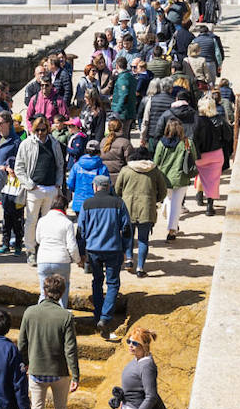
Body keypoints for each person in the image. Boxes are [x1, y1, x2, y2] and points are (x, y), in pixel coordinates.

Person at [19, 273, 80, 409]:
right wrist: (76, 375)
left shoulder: (30, 312)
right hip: (59, 372)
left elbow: (22, 344)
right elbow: (70, 349)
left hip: (36, 371)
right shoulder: (66, 316)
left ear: (44, 291)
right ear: (62, 293)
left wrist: (25, 364)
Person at [78, 174, 130, 339]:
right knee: (113, 283)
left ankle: (98, 314)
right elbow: (127, 228)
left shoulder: (87, 204)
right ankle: (106, 318)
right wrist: (126, 251)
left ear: (95, 187)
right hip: (113, 249)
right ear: (109, 187)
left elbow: (80, 230)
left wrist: (81, 252)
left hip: (93, 250)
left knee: (97, 281)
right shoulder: (118, 203)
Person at [14, 116, 65, 268]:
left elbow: (60, 165)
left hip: (51, 188)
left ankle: (44, 250)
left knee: (47, 222)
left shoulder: (54, 143)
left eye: (43, 129)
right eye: (38, 130)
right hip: (34, 189)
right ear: (33, 130)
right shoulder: (26, 144)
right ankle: (30, 251)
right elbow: (19, 167)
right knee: (31, 222)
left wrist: (58, 184)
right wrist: (30, 185)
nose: (41, 133)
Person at [114, 145, 168, 277]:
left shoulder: (126, 170)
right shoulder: (155, 171)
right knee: (144, 239)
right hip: (147, 208)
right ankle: (140, 268)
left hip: (128, 208)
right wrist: (154, 200)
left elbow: (117, 189)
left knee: (128, 236)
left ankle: (129, 260)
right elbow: (163, 191)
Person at [33, 191, 80, 307]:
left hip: (43, 259)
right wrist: (78, 260)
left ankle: (41, 316)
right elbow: (72, 246)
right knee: (62, 292)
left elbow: (38, 239)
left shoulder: (42, 221)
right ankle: (62, 315)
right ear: (64, 207)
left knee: (44, 292)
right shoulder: (67, 223)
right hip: (61, 261)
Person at [153, 118, 194, 241]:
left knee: (170, 201)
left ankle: (172, 224)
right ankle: (172, 229)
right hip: (181, 177)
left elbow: (156, 161)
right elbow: (194, 158)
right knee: (176, 204)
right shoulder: (187, 142)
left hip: (165, 177)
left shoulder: (161, 143)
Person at [0, 110, 24, 255]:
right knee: (5, 216)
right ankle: (5, 243)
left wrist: (9, 166)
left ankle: (17, 244)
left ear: (8, 124)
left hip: (13, 184)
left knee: (16, 215)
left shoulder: (17, 141)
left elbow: (21, 161)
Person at [191, 95, 229, 217]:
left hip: (201, 154)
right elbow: (228, 137)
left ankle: (199, 195)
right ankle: (209, 206)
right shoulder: (220, 120)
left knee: (201, 174)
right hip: (216, 153)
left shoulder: (197, 121)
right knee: (213, 179)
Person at [66, 138, 108, 216]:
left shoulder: (77, 166)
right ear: (99, 152)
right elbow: (106, 186)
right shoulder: (102, 167)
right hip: (96, 204)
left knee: (81, 226)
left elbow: (70, 183)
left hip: (79, 203)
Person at [99, 115, 133, 187]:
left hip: (105, 178)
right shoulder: (125, 143)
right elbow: (130, 162)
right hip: (120, 179)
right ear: (121, 128)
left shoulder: (103, 142)